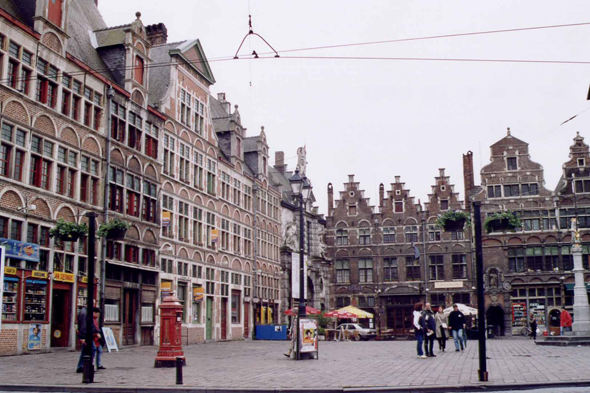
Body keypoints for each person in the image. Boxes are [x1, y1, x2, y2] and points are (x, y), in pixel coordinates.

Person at [76, 306, 105, 373]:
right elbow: (84, 326)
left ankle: (82, 366)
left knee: (87, 350)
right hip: (88, 335)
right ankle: (86, 365)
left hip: (90, 335)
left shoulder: (87, 313)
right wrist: (83, 336)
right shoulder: (85, 313)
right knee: (92, 348)